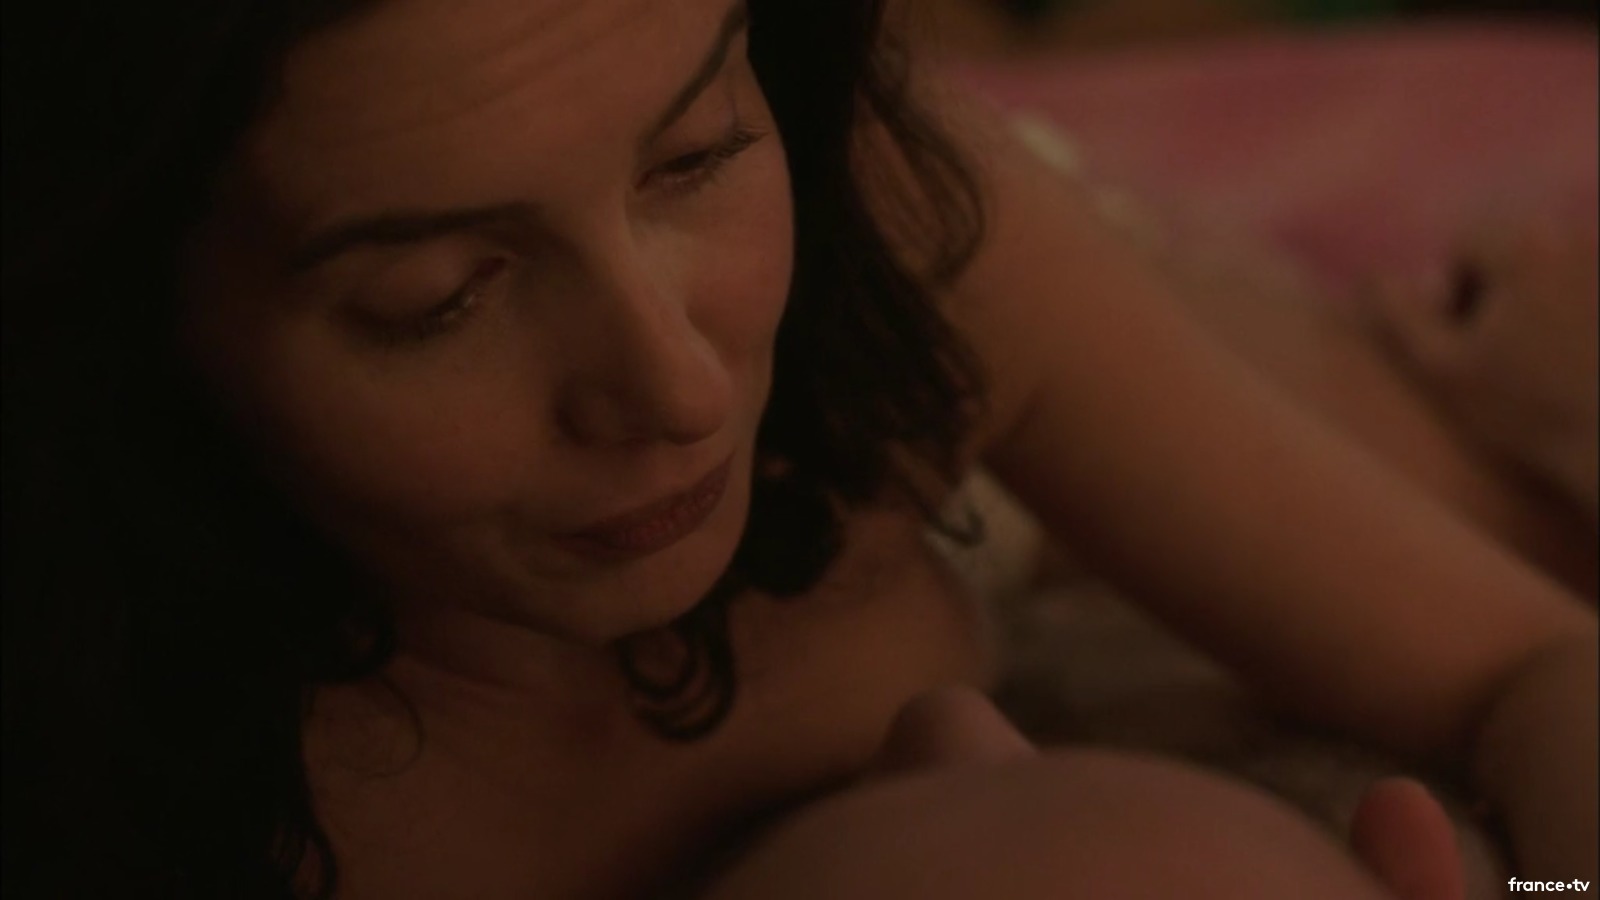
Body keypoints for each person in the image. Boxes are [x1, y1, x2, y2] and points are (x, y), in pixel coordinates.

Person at [1, 0, 1593, 898]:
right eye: (440, 298)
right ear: (123, 329)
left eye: (695, 159)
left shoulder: (879, 221)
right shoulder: (110, 767)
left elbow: (1531, 667)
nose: (679, 384)